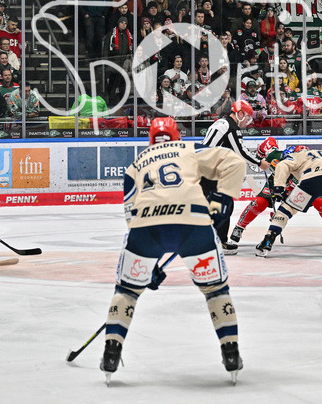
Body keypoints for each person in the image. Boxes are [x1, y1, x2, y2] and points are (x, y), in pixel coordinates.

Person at [101, 116, 246, 384]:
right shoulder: (189, 149)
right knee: (215, 290)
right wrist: (223, 197)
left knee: (127, 291)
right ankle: (231, 351)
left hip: (146, 228)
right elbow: (235, 162)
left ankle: (111, 350)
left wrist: (146, 267)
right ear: (176, 135)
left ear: (150, 138)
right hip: (194, 223)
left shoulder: (135, 164)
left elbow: (130, 215)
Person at [227, 137, 322, 253]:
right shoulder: (275, 157)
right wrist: (260, 154)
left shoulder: (310, 169)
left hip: (299, 189)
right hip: (275, 184)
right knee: (259, 202)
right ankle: (239, 228)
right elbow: (269, 140)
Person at [202, 100, 270, 248]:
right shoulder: (232, 127)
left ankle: (210, 238)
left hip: (204, 168)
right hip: (210, 171)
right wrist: (260, 162)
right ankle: (218, 241)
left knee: (214, 205)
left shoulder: (221, 122)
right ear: (240, 114)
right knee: (224, 203)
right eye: (247, 117)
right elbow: (241, 151)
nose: (247, 122)